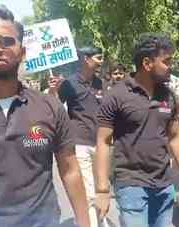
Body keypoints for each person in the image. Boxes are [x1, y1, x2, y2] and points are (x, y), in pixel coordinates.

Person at [0, 7, 90, 227]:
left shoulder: (50, 106)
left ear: (22, 52)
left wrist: (84, 223)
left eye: (6, 41)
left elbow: (70, 171)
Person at [95, 33, 179, 227]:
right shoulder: (117, 96)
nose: (171, 67)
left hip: (164, 186)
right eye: (166, 62)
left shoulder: (168, 95)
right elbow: (103, 142)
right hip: (130, 185)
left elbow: (175, 138)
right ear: (147, 63)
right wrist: (102, 190)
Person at [58, 46, 104, 227]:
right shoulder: (69, 84)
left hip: (101, 144)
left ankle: (101, 221)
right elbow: (55, 107)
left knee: (102, 187)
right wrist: (54, 90)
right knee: (89, 191)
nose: (101, 61)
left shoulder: (100, 83)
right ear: (86, 59)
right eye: (98, 58)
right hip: (80, 143)